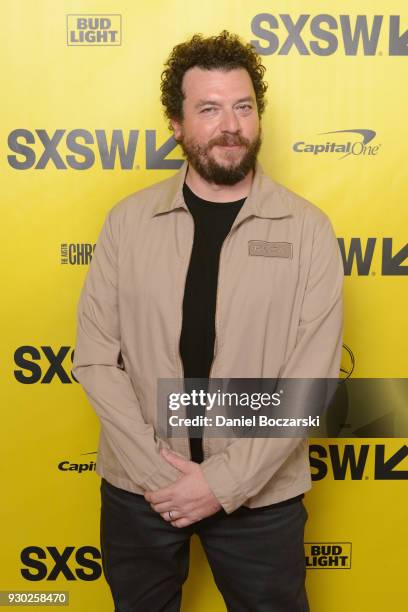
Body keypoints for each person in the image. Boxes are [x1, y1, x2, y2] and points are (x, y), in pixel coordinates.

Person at [72, 30, 343, 612]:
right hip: (142, 491)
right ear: (176, 123)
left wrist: (221, 485)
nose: (231, 125)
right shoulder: (127, 223)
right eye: (210, 109)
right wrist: (161, 478)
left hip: (261, 495)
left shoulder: (309, 230)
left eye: (244, 107)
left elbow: (308, 384)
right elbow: (95, 359)